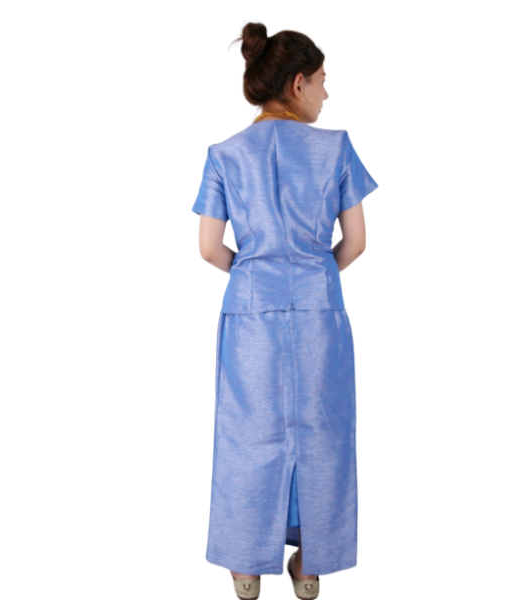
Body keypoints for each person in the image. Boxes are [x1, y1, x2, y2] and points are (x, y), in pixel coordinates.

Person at [191, 19, 378, 600]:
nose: (327, 93)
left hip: (249, 308)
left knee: (248, 431)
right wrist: (315, 274)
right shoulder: (336, 147)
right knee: (323, 430)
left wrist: (253, 274)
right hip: (320, 306)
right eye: (322, 81)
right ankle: (311, 568)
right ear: (298, 83)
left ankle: (245, 569)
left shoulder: (223, 153)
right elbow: (356, 243)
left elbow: (208, 248)